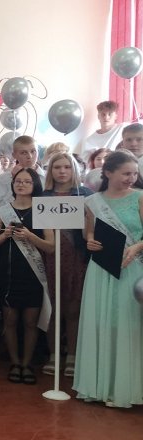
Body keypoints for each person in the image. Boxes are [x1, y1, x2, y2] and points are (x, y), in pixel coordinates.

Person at [76, 151, 143, 408]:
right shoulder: (92, 202)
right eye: (126, 173)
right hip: (101, 268)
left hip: (132, 268)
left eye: (134, 173)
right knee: (104, 323)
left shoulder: (139, 197)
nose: (131, 178)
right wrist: (90, 241)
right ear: (108, 173)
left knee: (129, 324)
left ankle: (127, 387)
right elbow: (88, 232)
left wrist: (137, 246)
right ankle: (101, 385)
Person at [0, 167, 55, 385]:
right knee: (10, 320)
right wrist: (5, 235)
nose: (22, 184)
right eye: (18, 181)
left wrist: (29, 236)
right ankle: (15, 363)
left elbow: (51, 246)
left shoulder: (42, 210)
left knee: (30, 322)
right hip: (9, 273)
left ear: (35, 185)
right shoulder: (3, 210)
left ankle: (27, 364)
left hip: (33, 274)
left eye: (27, 181)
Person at [40, 153, 92, 376]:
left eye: (67, 167)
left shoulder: (86, 194)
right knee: (53, 309)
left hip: (77, 257)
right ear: (50, 171)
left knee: (73, 309)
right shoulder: (43, 197)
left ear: (74, 170)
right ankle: (53, 355)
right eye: (57, 167)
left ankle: (72, 356)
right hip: (51, 258)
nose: (62, 171)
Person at [0, 136, 45, 205]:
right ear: (14, 155)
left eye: (33, 151)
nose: (30, 156)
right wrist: (14, 180)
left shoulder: (48, 177)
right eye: (24, 153)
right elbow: (1, 207)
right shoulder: (3, 179)